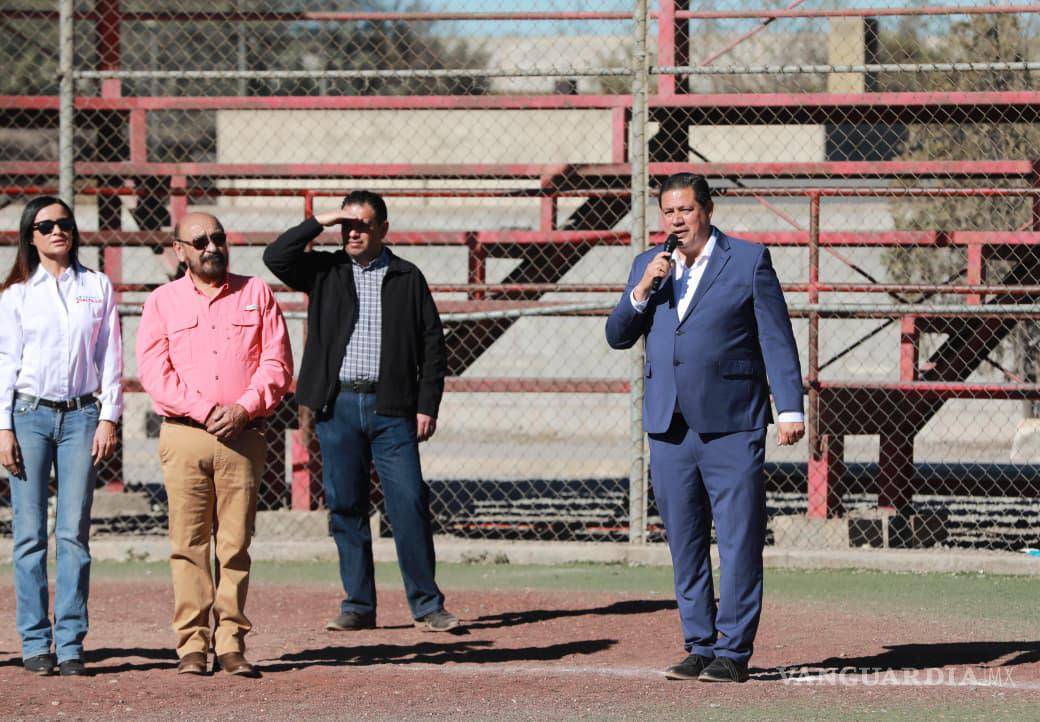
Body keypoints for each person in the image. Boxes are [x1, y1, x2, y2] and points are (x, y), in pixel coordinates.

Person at [606, 173, 805, 683]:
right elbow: (617, 335)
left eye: (686, 210)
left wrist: (789, 409)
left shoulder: (748, 259)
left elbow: (776, 338)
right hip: (668, 425)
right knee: (685, 540)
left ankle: (733, 652)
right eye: (668, 212)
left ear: (708, 210)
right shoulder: (648, 265)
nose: (677, 220)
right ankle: (699, 644)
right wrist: (643, 287)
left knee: (738, 539)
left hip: (732, 422)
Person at [263, 190, 458, 633]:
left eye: (362, 225)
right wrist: (323, 219)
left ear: (383, 230)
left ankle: (427, 605)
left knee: (408, 502)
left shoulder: (407, 277)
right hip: (338, 407)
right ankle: (358, 605)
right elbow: (276, 256)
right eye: (346, 226)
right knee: (345, 506)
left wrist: (427, 405)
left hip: (393, 409)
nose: (352, 233)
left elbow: (433, 344)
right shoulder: (326, 270)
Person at [136, 213, 292, 676]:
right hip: (185, 434)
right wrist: (207, 412)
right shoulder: (162, 302)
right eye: (200, 240)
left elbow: (276, 363)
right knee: (188, 543)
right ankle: (191, 645)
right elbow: (155, 373)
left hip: (243, 436)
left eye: (218, 238)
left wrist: (243, 408)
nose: (211, 247)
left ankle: (231, 642)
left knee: (235, 545)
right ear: (180, 249)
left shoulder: (256, 293)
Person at [0, 196, 123, 676]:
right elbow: (5, 364)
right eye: (46, 225)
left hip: (79, 418)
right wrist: (3, 427)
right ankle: (35, 642)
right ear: (31, 235)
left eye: (65, 224)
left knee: (72, 534)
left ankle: (70, 643)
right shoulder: (15, 294)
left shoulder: (96, 286)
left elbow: (110, 354)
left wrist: (109, 416)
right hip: (28, 416)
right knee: (29, 536)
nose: (57, 232)